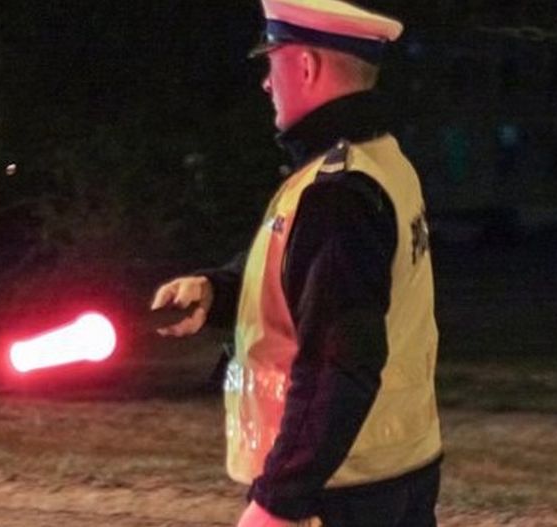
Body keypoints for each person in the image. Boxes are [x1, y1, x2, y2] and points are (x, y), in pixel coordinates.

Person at [151, 1, 442, 525]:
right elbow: (308, 279)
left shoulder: (336, 192)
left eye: (273, 61)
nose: (267, 83)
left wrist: (278, 501)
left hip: (334, 492)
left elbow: (338, 364)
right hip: (391, 471)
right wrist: (218, 290)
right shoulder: (380, 161)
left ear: (305, 66)